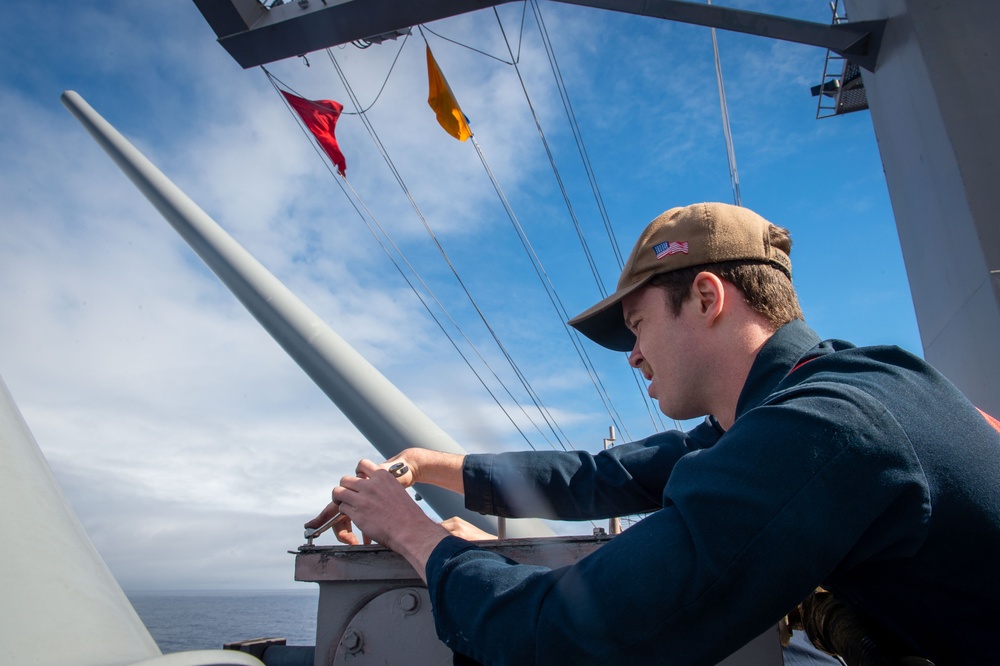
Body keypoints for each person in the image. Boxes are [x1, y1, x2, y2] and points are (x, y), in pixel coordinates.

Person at [306, 202, 1000, 665]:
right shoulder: (826, 391)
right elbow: (598, 476)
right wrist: (429, 467)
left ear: (706, 297)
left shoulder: (823, 431)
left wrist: (413, 534)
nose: (633, 355)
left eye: (638, 327)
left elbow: (574, 635)